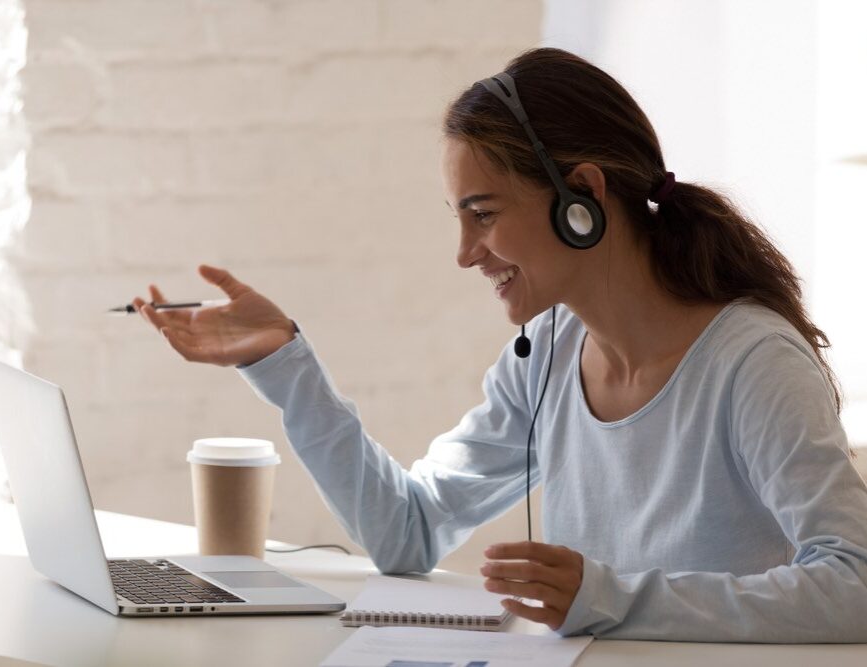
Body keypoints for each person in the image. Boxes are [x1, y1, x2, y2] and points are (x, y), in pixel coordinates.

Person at [132, 48, 867, 641]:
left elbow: (855, 584)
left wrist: (608, 594)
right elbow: (408, 532)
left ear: (581, 195)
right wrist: (283, 362)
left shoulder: (751, 364)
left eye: (482, 214)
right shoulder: (546, 351)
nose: (464, 253)